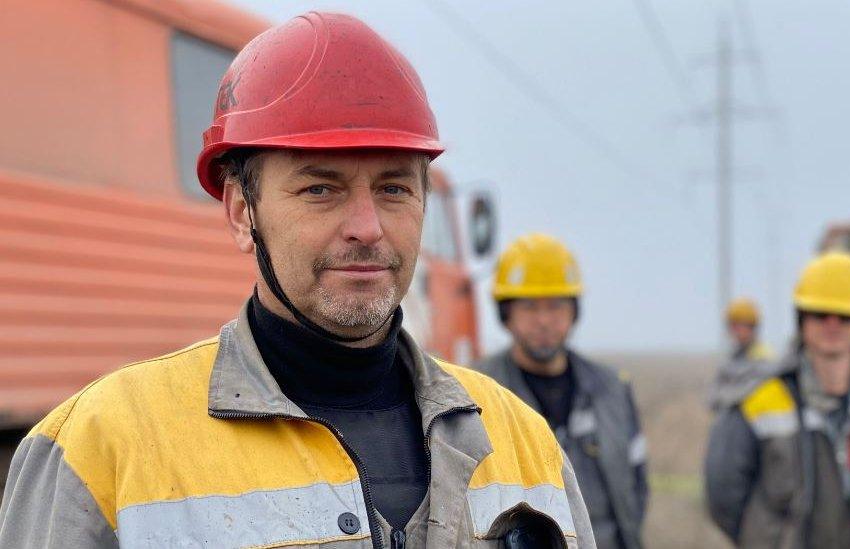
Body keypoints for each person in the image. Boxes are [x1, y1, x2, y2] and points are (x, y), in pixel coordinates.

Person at [0, 13, 596, 548]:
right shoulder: (100, 450)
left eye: (393, 188)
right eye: (321, 188)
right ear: (242, 212)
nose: (367, 228)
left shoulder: (525, 445)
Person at [705, 252, 850, 548]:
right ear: (802, 319)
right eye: (820, 314)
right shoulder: (760, 401)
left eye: (845, 316)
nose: (832, 325)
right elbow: (723, 494)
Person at [475, 233, 648, 549]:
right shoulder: (475, 391)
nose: (544, 321)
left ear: (574, 312)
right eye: (529, 306)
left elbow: (636, 487)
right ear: (506, 314)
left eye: (556, 306)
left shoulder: (613, 390)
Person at [707, 297, 776, 411]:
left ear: (753, 327)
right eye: (734, 326)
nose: (737, 331)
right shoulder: (731, 359)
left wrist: (728, 396)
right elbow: (712, 399)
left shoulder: (765, 358)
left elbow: (754, 393)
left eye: (742, 325)